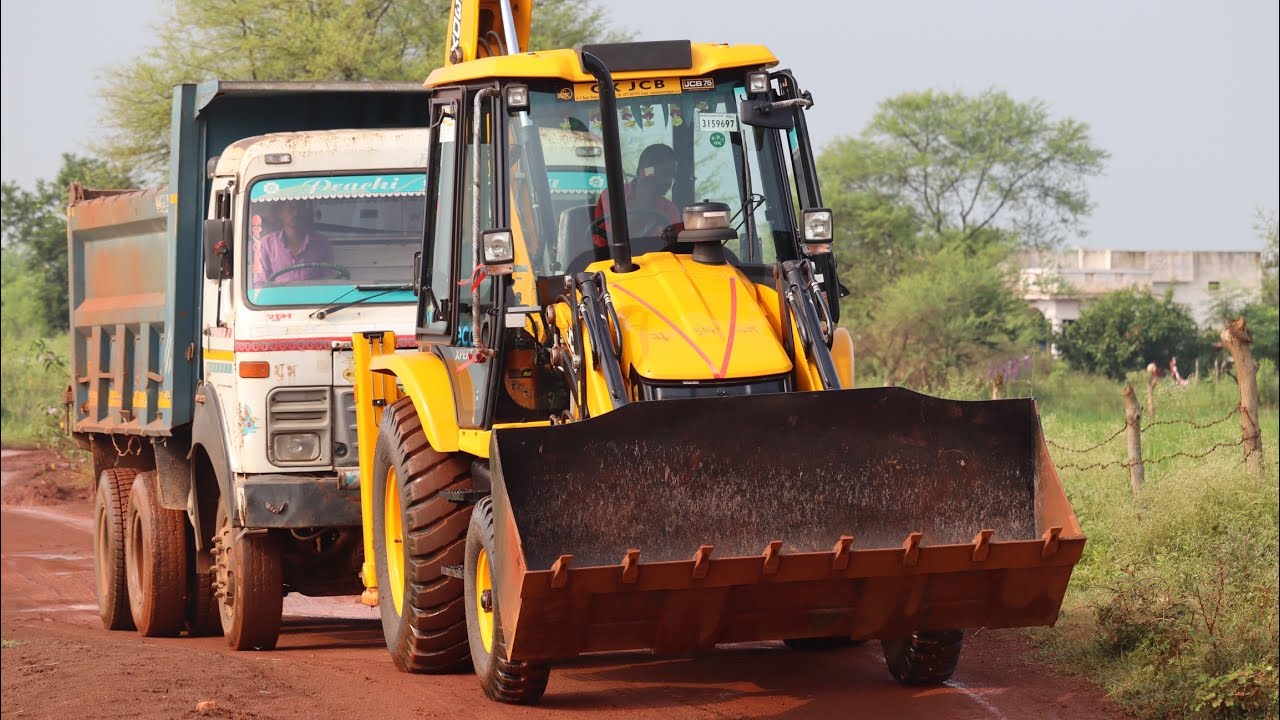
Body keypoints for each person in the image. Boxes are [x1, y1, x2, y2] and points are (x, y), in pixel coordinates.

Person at [591, 143, 682, 257]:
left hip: (656, 263)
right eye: (665, 173)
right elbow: (614, 238)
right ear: (647, 171)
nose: (669, 181)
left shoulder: (669, 209)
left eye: (673, 176)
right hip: (610, 261)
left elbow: (675, 248)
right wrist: (644, 198)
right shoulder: (612, 196)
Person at [252, 200, 336, 285]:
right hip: (278, 294)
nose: (296, 213)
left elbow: (329, 281)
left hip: (313, 293)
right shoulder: (266, 245)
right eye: (291, 208)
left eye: (301, 208)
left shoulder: (322, 243)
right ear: (280, 213)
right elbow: (260, 283)